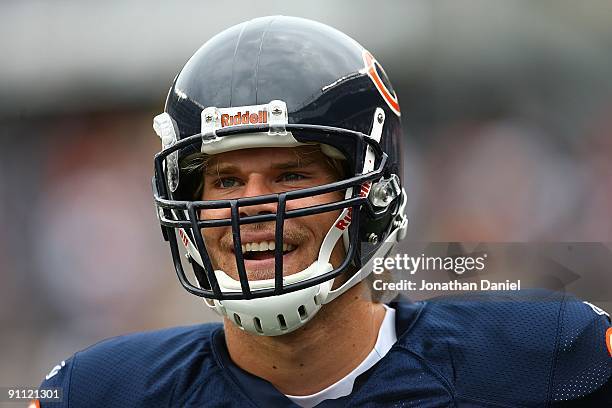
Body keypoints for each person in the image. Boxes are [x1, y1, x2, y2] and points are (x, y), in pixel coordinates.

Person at [38, 16, 610, 407]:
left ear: (372, 192)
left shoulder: (549, 357)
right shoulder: (103, 390)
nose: (254, 206)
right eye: (226, 180)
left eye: (291, 174)